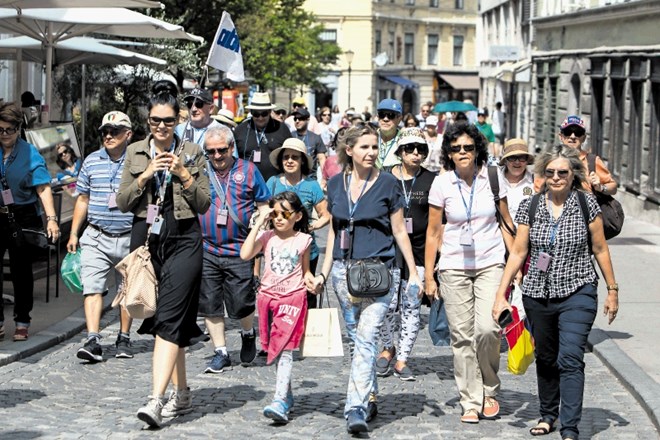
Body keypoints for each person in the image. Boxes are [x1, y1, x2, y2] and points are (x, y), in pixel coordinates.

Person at [492, 145, 618, 440]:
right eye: (550, 172)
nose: (556, 177)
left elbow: (600, 248)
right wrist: (502, 293)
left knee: (570, 357)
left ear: (573, 174)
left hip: (578, 289)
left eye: (563, 172)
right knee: (546, 357)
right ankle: (548, 414)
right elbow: (519, 251)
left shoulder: (587, 204)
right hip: (537, 293)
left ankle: (570, 427)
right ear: (543, 174)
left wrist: (613, 290)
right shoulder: (531, 205)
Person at [311, 124, 424, 434]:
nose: (371, 152)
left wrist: (413, 273)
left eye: (375, 147)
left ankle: (355, 408)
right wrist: (324, 270)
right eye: (364, 147)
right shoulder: (335, 184)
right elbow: (334, 230)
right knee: (358, 342)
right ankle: (369, 396)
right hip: (343, 274)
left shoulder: (388, 184)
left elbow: (400, 230)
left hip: (380, 273)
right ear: (350, 150)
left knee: (366, 337)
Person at [116, 80, 211, 428]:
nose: (161, 127)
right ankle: (182, 391)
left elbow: (203, 203)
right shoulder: (135, 151)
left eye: (168, 121)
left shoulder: (191, 152)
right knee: (173, 321)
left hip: (185, 238)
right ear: (147, 121)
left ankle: (156, 400)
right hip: (147, 239)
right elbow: (124, 201)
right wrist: (145, 177)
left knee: (168, 320)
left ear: (178, 121)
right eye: (155, 120)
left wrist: (184, 174)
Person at [424, 122, 515, 424]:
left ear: (477, 149)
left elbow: (505, 222)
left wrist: (515, 265)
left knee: (488, 330)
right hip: (453, 267)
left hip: (491, 263)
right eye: (456, 148)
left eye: (468, 147)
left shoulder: (492, 177)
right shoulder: (442, 184)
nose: (462, 152)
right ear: (448, 153)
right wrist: (428, 275)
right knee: (461, 337)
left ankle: (491, 389)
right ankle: (471, 400)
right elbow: (433, 232)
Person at [198, 125, 270, 374]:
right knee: (210, 303)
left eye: (221, 150)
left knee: (241, 302)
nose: (216, 156)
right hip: (207, 247)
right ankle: (221, 352)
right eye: (211, 151)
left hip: (240, 249)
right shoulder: (200, 170)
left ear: (231, 147)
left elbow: (263, 203)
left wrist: (260, 232)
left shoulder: (249, 170)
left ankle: (248, 332)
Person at [240, 191, 314, 424]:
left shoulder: (303, 240)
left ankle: (280, 400)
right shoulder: (267, 237)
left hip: (293, 299)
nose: (279, 218)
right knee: (275, 350)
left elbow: (305, 271)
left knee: (285, 350)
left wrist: (313, 280)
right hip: (267, 298)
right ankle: (287, 396)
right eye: (275, 214)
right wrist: (260, 222)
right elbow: (244, 254)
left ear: (298, 216)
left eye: (285, 214)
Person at [67, 111, 135, 362]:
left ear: (127, 134)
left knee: (126, 290)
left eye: (114, 131)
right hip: (95, 236)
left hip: (129, 237)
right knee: (92, 287)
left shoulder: (138, 162)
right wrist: (74, 233)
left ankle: (124, 337)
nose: (108, 135)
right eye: (104, 131)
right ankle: (93, 338)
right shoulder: (92, 161)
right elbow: (82, 198)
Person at [376, 127, 436, 381]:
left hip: (420, 253)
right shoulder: (385, 177)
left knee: (412, 306)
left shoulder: (432, 180)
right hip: (389, 252)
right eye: (410, 148)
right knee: (386, 306)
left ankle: (402, 359)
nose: (415, 153)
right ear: (400, 151)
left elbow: (438, 222)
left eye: (420, 149)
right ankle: (388, 347)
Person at [0, 102, 60, 342]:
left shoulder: (29, 152)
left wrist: (52, 219)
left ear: (18, 129)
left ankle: (22, 320)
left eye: (9, 130)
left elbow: (43, 187)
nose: (4, 134)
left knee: (21, 271)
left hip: (22, 215)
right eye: (0, 129)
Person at [266, 138, 330, 308]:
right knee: (281, 293)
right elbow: (264, 212)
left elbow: (326, 214)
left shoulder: (311, 185)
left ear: (302, 160)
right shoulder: (272, 183)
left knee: (307, 292)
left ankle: (308, 331)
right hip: (278, 250)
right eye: (286, 157)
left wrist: (313, 226)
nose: (289, 161)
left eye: (295, 157)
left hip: (306, 250)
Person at [534, 115, 617, 197]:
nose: (572, 136)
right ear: (561, 137)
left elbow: (613, 187)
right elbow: (538, 189)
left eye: (578, 133)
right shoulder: (549, 159)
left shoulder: (592, 161)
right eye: (568, 132)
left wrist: (601, 187)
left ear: (584, 138)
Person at [234, 92, 292, 182]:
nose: (260, 118)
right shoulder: (240, 130)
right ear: (251, 112)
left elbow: (290, 154)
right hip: (246, 183)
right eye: (256, 114)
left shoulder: (282, 129)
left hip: (276, 183)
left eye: (264, 113)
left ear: (269, 112)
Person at [500, 138, 535, 220]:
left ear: (527, 161)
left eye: (522, 157)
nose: (517, 162)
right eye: (512, 157)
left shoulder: (535, 182)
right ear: (505, 160)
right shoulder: (493, 179)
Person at [289, 107, 327, 179]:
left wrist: (324, 179)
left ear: (308, 120)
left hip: (310, 178)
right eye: (295, 119)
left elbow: (322, 159)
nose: (297, 121)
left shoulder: (315, 138)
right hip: (292, 178)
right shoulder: (289, 136)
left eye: (300, 119)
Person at [375, 98, 403, 169]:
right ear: (378, 117)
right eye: (382, 115)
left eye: (391, 115)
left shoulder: (404, 140)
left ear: (399, 119)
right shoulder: (369, 137)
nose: (385, 119)